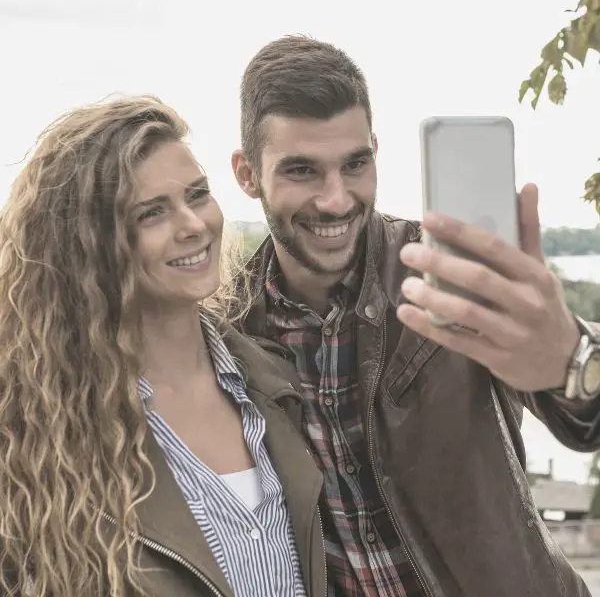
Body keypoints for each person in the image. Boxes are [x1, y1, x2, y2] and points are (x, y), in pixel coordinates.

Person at [231, 35, 600, 596]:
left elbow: (584, 415)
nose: (336, 199)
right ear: (247, 174)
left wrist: (573, 357)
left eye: (355, 164)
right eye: (302, 171)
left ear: (376, 150)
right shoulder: (228, 329)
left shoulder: (450, 276)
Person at [0, 95, 326, 597]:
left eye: (197, 195)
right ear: (89, 246)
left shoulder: (279, 384)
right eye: (151, 214)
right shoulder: (33, 433)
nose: (193, 225)